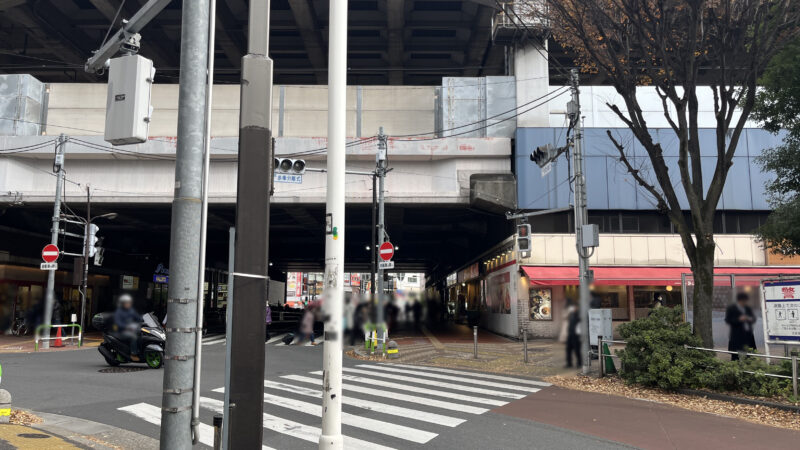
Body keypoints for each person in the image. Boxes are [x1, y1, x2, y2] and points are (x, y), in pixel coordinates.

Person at [725, 292, 757, 361]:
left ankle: (748, 365)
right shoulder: (731, 308)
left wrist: (749, 318)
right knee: (735, 353)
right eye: (744, 301)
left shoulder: (747, 308)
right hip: (737, 334)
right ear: (739, 300)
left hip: (748, 334)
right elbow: (728, 320)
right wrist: (738, 319)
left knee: (749, 352)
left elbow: (753, 318)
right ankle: (735, 366)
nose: (745, 302)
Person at [113, 294, 143, 360]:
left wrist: (143, 319)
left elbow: (138, 317)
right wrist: (126, 327)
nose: (128, 304)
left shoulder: (131, 310)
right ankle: (133, 354)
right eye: (126, 303)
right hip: (122, 331)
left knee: (142, 335)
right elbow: (118, 323)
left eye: (129, 302)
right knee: (133, 337)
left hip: (132, 329)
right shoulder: (119, 312)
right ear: (123, 303)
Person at [564, 298, 582, 368]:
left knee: (577, 349)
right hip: (570, 334)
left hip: (576, 335)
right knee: (568, 349)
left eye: (575, 307)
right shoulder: (571, 314)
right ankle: (569, 363)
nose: (573, 308)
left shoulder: (579, 315)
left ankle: (579, 363)